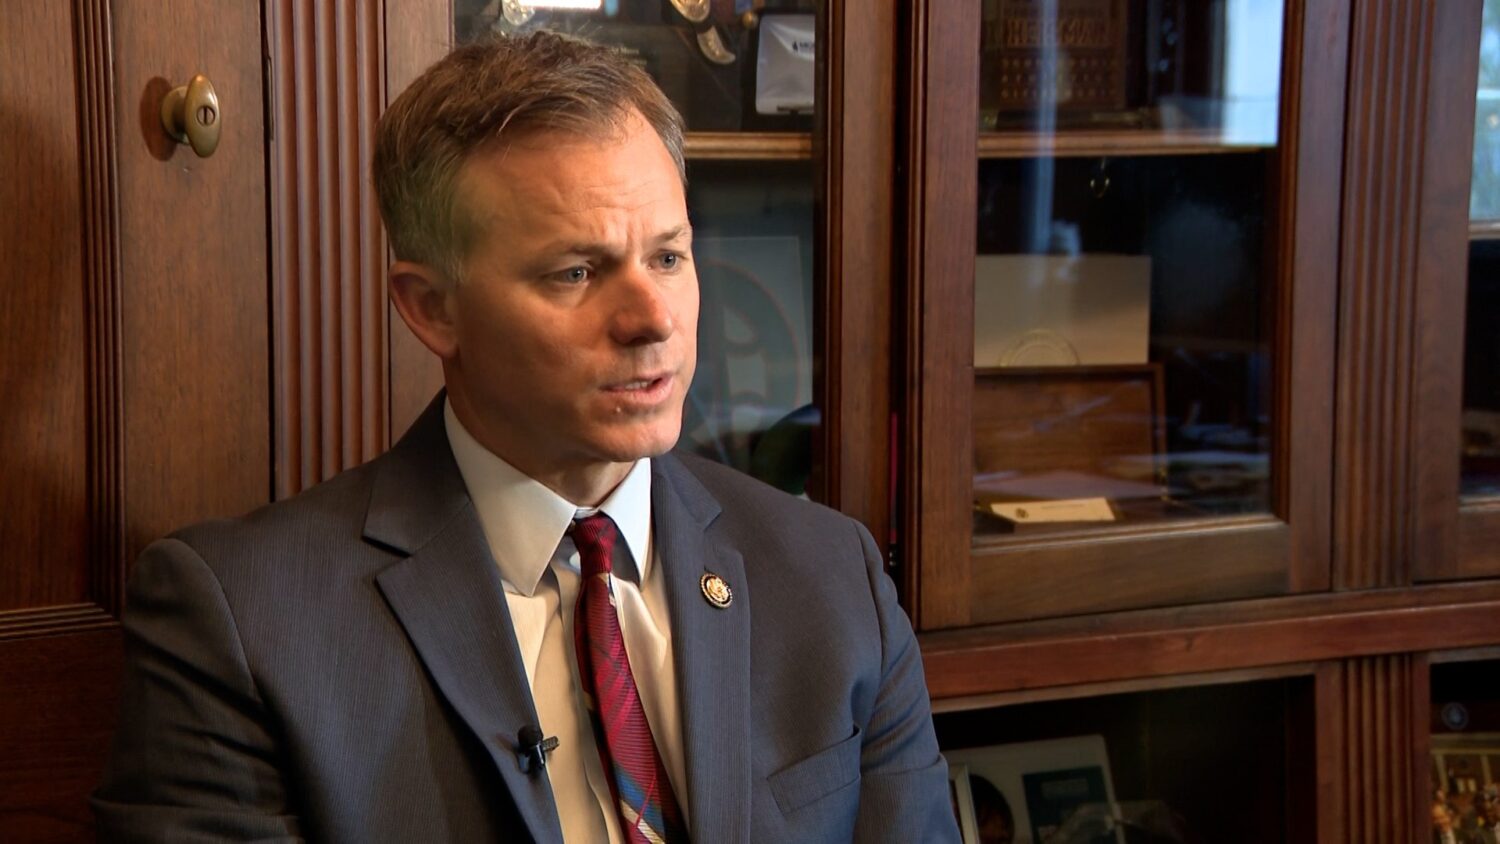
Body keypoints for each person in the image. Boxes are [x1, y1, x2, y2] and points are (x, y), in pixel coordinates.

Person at [92, 30, 957, 844]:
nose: (654, 318)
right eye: (576, 272)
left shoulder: (834, 579)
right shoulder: (242, 624)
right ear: (431, 308)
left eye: (668, 256)